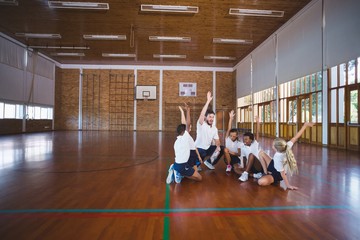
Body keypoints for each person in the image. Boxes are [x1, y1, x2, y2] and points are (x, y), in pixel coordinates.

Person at [257, 122, 315, 190]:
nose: (271, 145)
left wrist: (288, 185)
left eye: (273, 145)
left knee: (260, 182)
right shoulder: (286, 146)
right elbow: (296, 137)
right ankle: (265, 172)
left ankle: (271, 177)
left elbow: (283, 174)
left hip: (277, 173)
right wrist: (305, 125)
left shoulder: (278, 158)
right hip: (274, 165)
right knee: (261, 153)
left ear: (276, 148)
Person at [166, 103, 202, 184]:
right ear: (184, 131)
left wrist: (198, 156)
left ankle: (178, 171)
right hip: (185, 161)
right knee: (199, 178)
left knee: (195, 172)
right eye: (188, 128)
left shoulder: (177, 141)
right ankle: (178, 172)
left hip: (189, 156)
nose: (189, 128)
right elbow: (186, 123)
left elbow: (185, 124)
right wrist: (187, 111)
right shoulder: (185, 137)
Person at [195, 91, 224, 170]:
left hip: (207, 148)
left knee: (222, 148)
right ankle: (196, 164)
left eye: (213, 117)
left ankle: (209, 162)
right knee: (203, 152)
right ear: (205, 117)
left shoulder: (214, 128)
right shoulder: (201, 124)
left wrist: (218, 146)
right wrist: (208, 101)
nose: (211, 118)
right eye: (210, 117)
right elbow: (202, 114)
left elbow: (217, 140)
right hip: (198, 148)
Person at [238, 116, 263, 182]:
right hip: (250, 166)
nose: (244, 141)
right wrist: (243, 167)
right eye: (243, 139)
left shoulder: (255, 143)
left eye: (246, 139)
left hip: (258, 166)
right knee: (235, 169)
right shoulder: (243, 147)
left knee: (251, 155)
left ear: (251, 140)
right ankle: (254, 175)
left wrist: (257, 122)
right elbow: (243, 158)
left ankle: (246, 174)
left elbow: (257, 132)